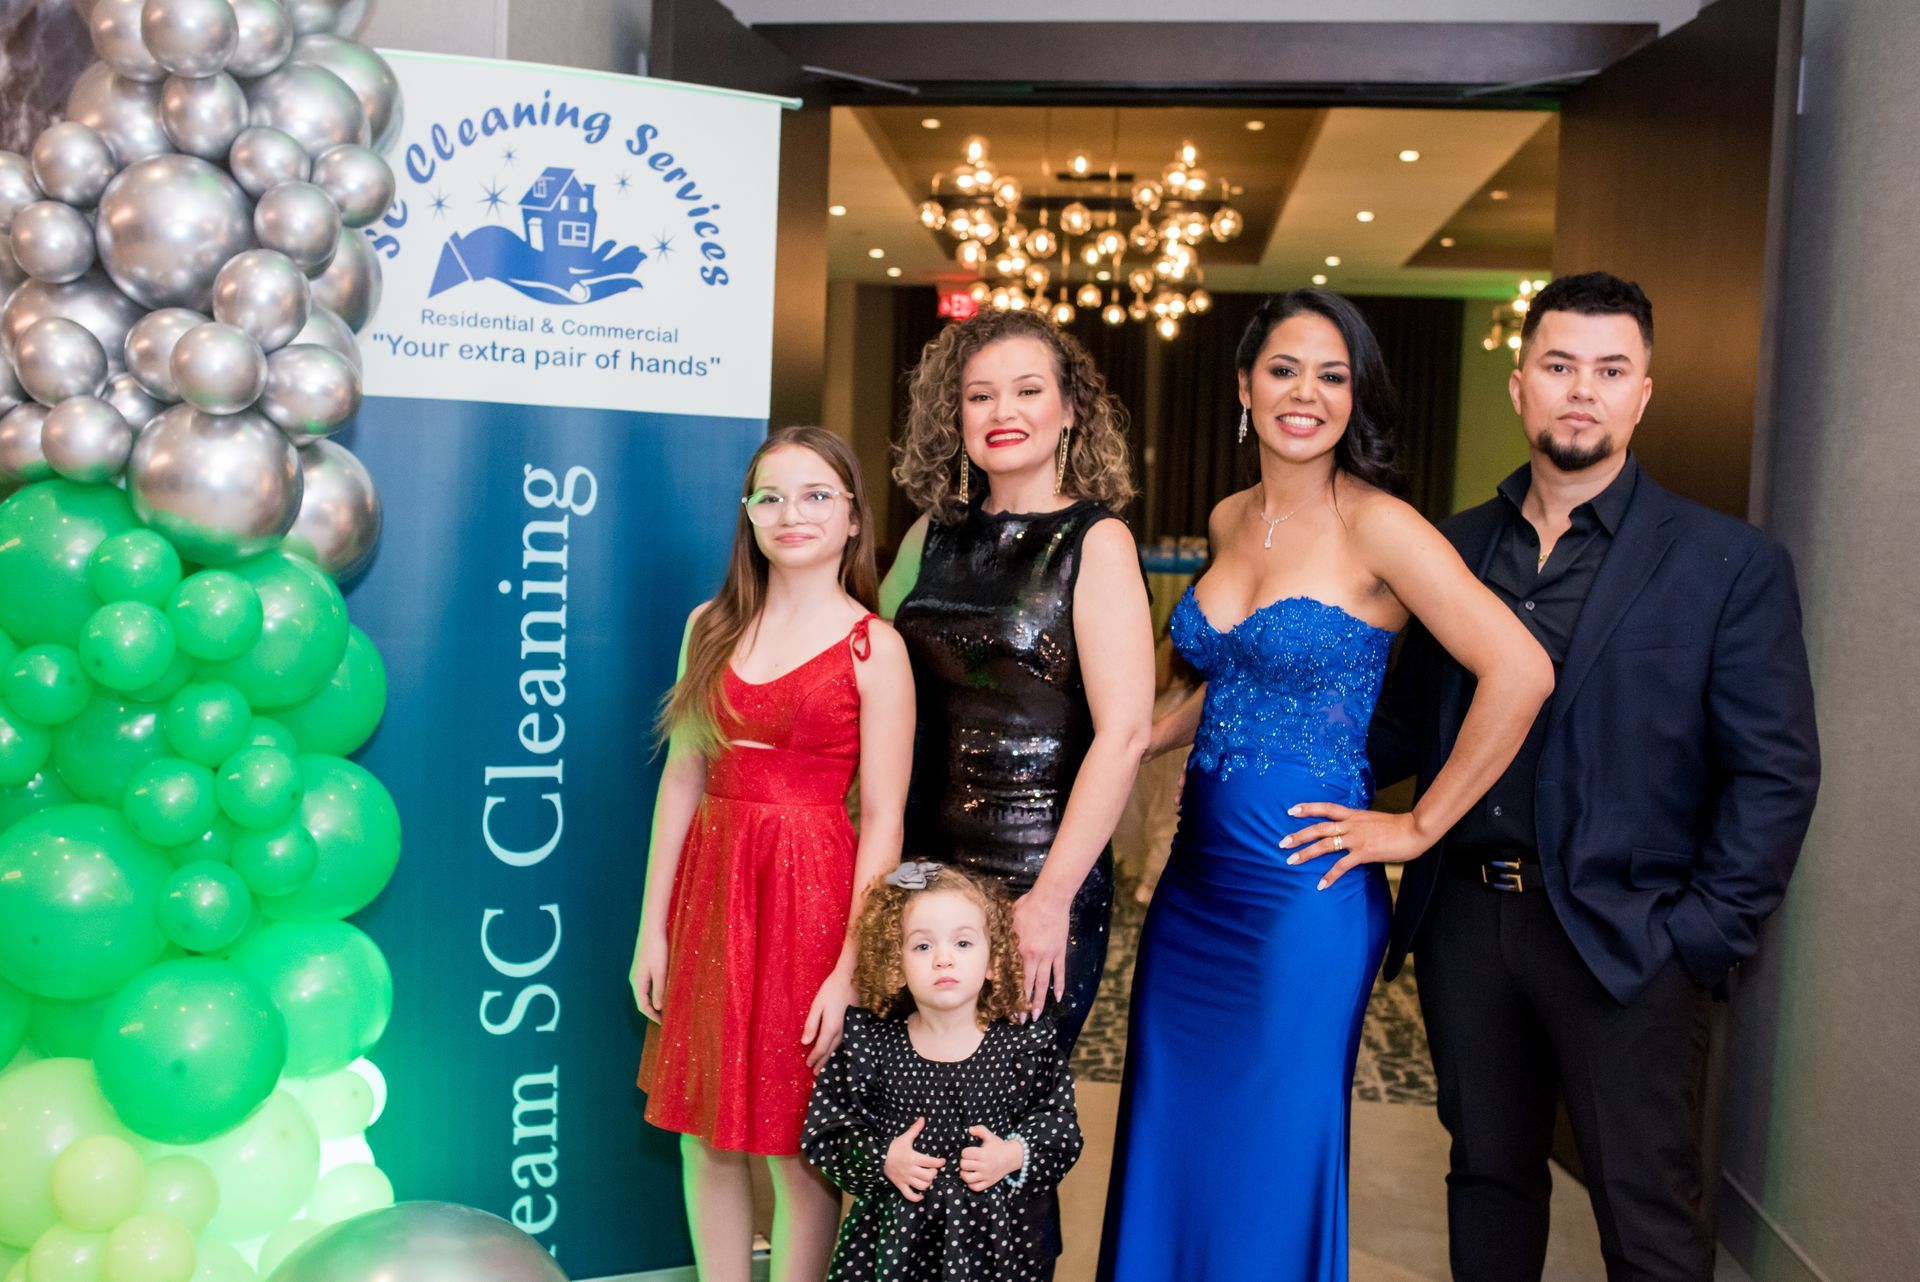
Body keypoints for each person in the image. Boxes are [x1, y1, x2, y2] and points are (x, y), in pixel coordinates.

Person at [1367, 271, 1820, 1282]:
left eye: (1611, 370)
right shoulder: (1450, 546)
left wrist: (1699, 938)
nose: (1584, 389)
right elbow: (1399, 726)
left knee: (1648, 1213)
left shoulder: (1726, 563)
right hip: (1468, 927)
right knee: (1487, 1178)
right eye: (1561, 365)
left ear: (1644, 394)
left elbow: (1775, 775)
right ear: (1521, 383)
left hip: (1633, 936)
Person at [1097, 289, 1554, 1282]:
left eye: (1333, 375)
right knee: (1173, 1131)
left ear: (1357, 398)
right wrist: (1134, 742)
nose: (1306, 393)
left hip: (1303, 897)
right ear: (1244, 387)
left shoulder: (1381, 528)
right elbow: (1231, 684)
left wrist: (1419, 825)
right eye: (1285, 369)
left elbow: (1520, 671)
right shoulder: (1229, 517)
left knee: (1270, 1157)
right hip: (1195, 892)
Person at [631, 426, 916, 1282]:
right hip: (711, 895)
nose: (793, 514)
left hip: (812, 901)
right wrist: (652, 930)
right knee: (706, 1136)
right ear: (749, 515)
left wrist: (851, 966)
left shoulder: (876, 647)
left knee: (797, 1146)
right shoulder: (709, 626)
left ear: (854, 517)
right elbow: (681, 780)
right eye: (771, 496)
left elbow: (888, 819)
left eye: (816, 495)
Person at [880, 307, 1154, 1055]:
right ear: (956, 416)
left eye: (1027, 390)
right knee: (908, 1123)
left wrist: (1050, 899)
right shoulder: (926, 536)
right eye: (979, 396)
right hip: (917, 880)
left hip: (1035, 877)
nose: (1003, 412)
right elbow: (868, 677)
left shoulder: (1095, 542)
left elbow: (1126, 735)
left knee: (1001, 1135)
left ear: (1068, 411)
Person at [802, 861, 1083, 1282]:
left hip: (992, 1250)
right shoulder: (871, 1047)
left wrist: (1013, 1154)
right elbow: (826, 1132)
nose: (944, 960)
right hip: (894, 1247)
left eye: (964, 943)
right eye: (922, 946)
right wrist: (883, 1158)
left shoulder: (1023, 1047)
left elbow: (1061, 1128)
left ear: (994, 960)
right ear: (895, 963)